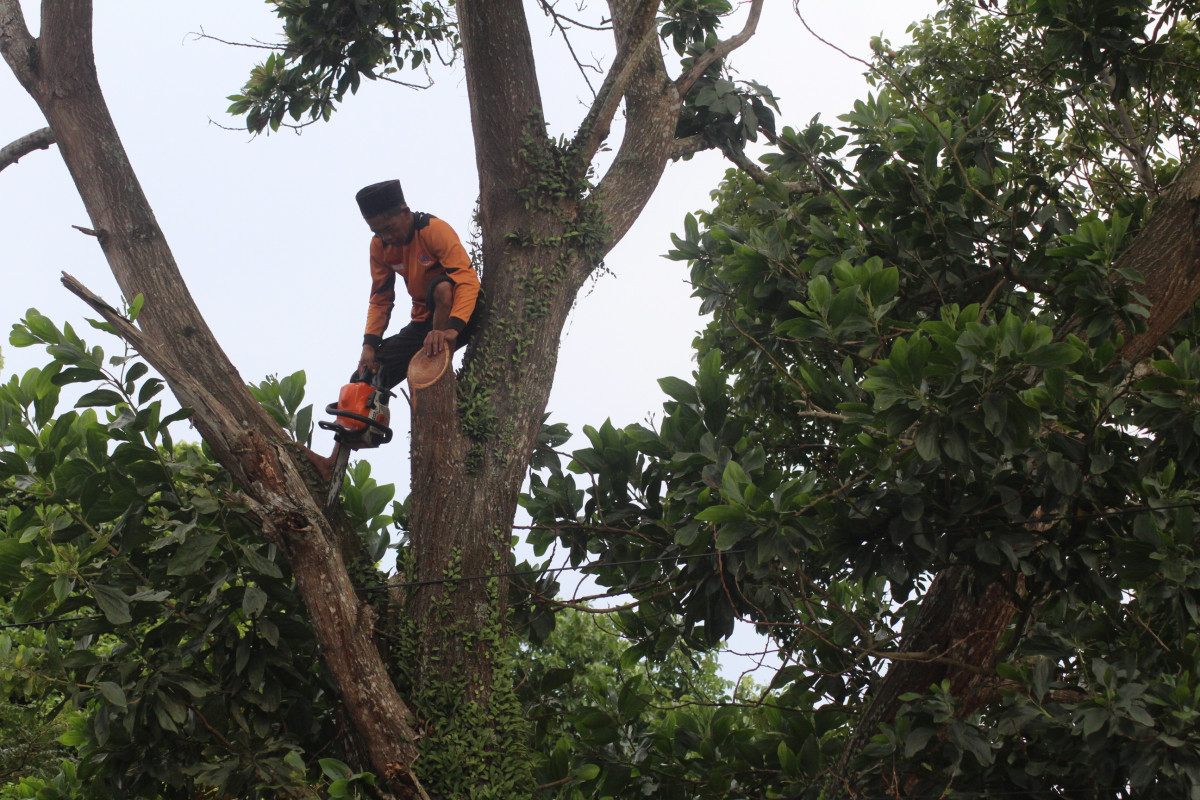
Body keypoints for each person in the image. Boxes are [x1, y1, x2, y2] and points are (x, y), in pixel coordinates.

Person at [353, 179, 480, 387]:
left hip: (461, 317)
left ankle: (440, 358)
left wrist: (452, 328)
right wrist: (369, 346)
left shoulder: (433, 230)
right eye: (378, 232)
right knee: (366, 377)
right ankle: (367, 418)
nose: (386, 237)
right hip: (423, 324)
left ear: (405, 212)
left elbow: (466, 280)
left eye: (389, 228)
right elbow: (380, 299)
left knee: (441, 287)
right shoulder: (380, 246)